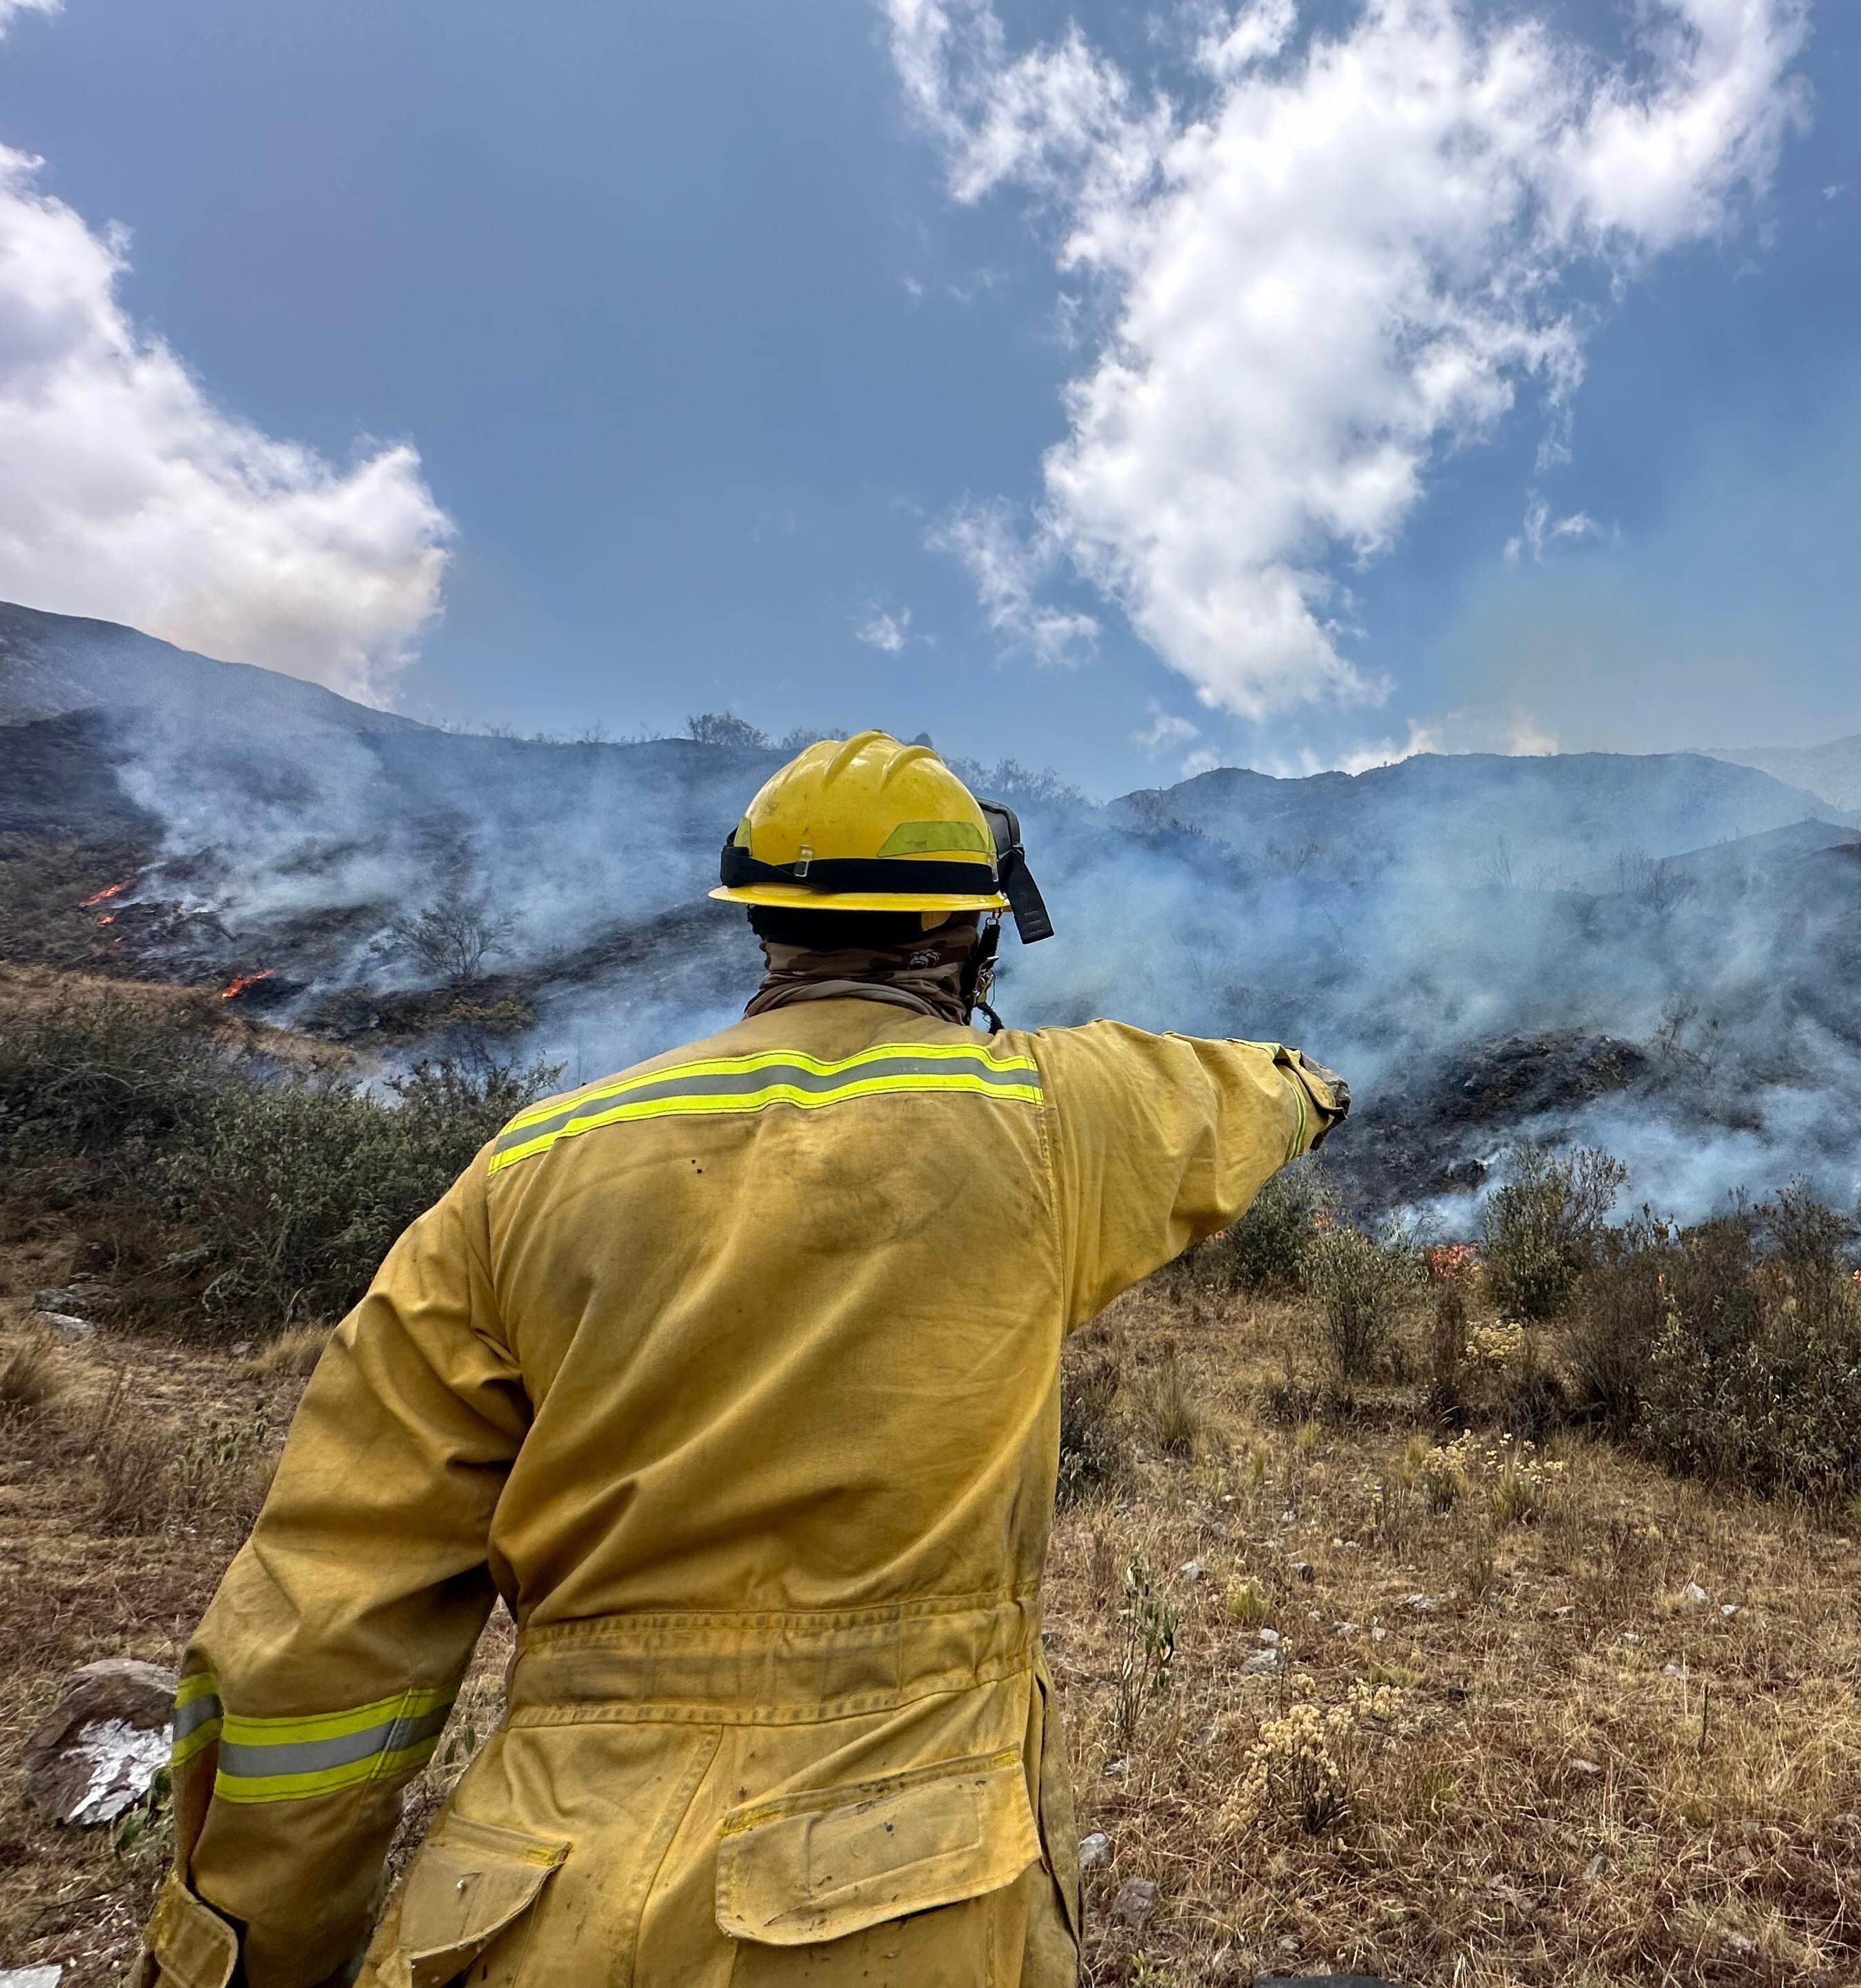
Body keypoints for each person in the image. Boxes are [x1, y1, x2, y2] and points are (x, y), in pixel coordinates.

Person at [137, 731, 1347, 1988]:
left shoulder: (527, 1167)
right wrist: (1314, 1091)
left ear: (765, 923)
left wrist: (239, 1955)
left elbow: (320, 1626)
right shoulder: (1051, 1115)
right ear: (970, 936)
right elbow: (1241, 1094)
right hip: (909, 1903)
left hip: (521, 1904)